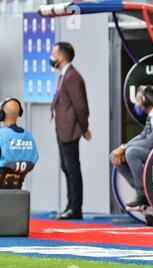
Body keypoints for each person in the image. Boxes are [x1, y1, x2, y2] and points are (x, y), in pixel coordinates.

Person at [110, 85, 153, 210]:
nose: (137, 104)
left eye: (138, 100)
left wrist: (125, 148)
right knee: (115, 157)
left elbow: (151, 142)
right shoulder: (151, 115)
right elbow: (143, 136)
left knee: (132, 153)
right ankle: (145, 190)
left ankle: (142, 194)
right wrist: (122, 148)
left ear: (146, 100)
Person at [50, 42, 91, 220]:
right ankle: (70, 206)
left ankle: (76, 208)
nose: (52, 57)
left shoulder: (72, 76)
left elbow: (81, 106)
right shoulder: (64, 75)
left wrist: (84, 128)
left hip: (70, 129)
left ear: (62, 56)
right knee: (66, 167)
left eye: (54, 53)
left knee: (72, 168)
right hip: (62, 129)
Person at [0, 98, 39, 188]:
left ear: (2, 115)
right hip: (18, 185)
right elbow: (34, 158)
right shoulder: (29, 136)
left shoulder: (1, 135)